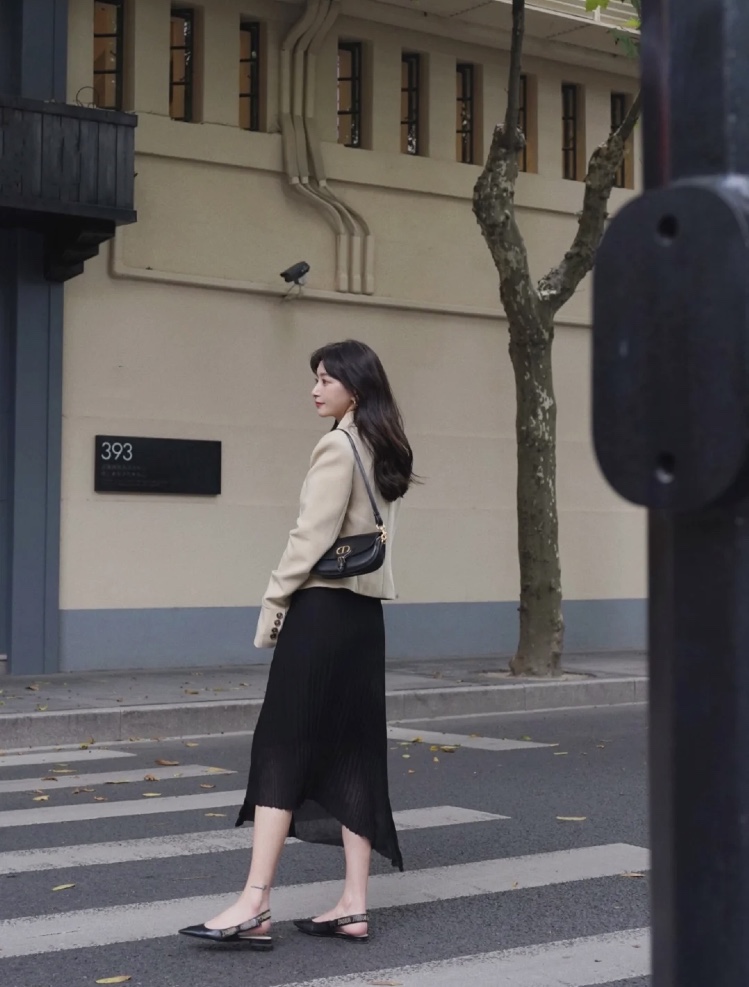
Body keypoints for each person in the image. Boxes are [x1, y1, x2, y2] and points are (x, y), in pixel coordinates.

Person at [179, 339, 415, 949]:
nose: (315, 389)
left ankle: (255, 902)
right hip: (363, 620)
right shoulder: (384, 445)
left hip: (321, 614)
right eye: (315, 378)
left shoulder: (338, 446)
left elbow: (308, 536)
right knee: (355, 752)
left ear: (355, 388)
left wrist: (273, 601)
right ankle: (354, 904)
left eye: (326, 379)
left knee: (281, 749)